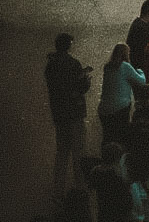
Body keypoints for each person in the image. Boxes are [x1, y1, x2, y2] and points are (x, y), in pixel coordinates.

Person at [45, 33, 91, 199]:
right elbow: (80, 87)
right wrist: (86, 80)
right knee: (78, 153)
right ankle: (81, 190)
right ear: (69, 45)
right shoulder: (73, 63)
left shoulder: (50, 65)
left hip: (59, 115)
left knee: (62, 154)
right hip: (74, 113)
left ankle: (58, 192)